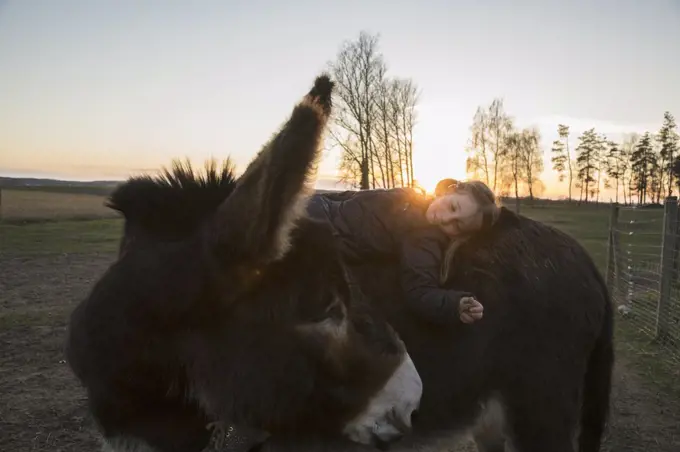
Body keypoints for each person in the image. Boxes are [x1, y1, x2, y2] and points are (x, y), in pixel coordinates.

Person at [306, 179, 493, 327]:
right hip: (315, 205)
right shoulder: (410, 194)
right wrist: (308, 197)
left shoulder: (424, 239)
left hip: (320, 236)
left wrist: (455, 305)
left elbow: (420, 291)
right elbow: (351, 197)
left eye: (457, 225)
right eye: (453, 207)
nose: (445, 219)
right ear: (450, 190)